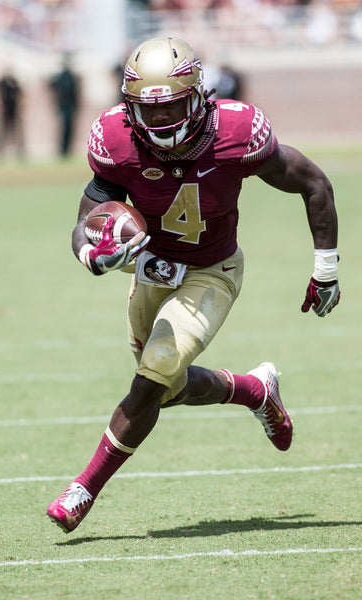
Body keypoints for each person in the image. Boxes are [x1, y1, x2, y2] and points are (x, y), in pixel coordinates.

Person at [46, 37, 340, 533]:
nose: (160, 120)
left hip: (212, 270)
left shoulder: (236, 132)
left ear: (199, 96)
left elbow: (313, 183)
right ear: (129, 106)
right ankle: (254, 390)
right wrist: (91, 254)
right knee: (167, 389)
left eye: (172, 106)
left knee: (153, 376)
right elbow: (85, 222)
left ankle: (83, 489)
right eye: (148, 109)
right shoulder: (117, 140)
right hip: (153, 268)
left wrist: (325, 268)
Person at [49, 54, 80, 156]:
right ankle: (62, 148)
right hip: (64, 105)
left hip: (70, 106)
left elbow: (75, 92)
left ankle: (67, 148)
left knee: (69, 128)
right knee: (64, 127)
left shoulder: (71, 76)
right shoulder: (61, 76)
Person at [0, 70, 25, 158]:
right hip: (4, 111)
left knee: (18, 132)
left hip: (14, 110)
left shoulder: (15, 82)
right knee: (0, 132)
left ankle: (21, 152)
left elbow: (20, 95)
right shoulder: (1, 83)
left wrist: (22, 108)